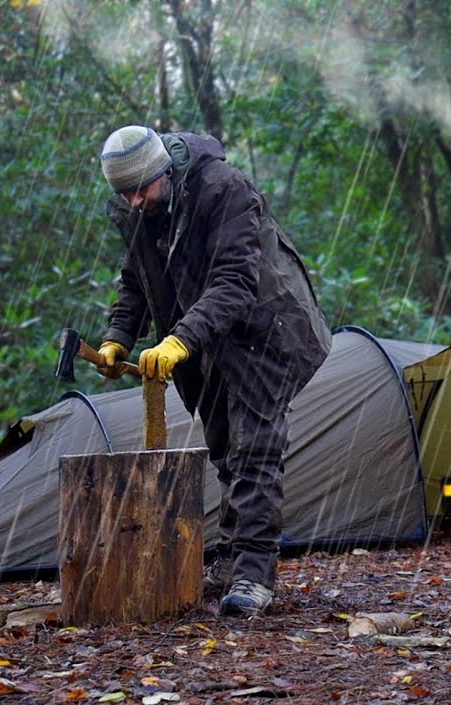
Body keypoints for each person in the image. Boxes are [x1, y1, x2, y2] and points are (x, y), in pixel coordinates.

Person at [94, 125, 331, 617]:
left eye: (143, 188)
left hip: (266, 325)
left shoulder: (223, 189)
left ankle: (254, 575)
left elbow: (235, 281)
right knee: (224, 445)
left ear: (165, 171)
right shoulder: (134, 207)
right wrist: (119, 335)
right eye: (124, 193)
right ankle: (228, 560)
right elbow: (137, 277)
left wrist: (180, 338)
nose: (135, 202)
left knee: (255, 450)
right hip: (207, 338)